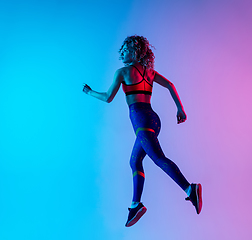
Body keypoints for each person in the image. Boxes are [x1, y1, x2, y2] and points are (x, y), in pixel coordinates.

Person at [83, 35, 202, 227]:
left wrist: (89, 92)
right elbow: (170, 85)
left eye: (125, 49)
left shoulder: (122, 72)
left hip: (141, 119)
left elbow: (107, 97)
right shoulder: (149, 72)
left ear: (135, 51)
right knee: (135, 161)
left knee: (158, 158)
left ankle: (190, 188)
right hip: (153, 120)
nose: (121, 53)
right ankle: (135, 204)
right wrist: (180, 108)